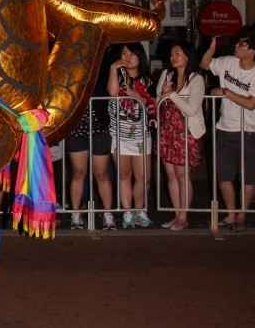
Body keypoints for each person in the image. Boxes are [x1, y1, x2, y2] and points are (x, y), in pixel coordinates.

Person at [199, 28, 255, 232]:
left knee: (248, 176)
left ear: (253, 51)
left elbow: (251, 104)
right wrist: (211, 49)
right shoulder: (228, 62)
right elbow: (205, 64)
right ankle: (231, 214)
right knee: (224, 174)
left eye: (243, 44)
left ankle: (242, 214)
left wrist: (225, 91)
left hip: (248, 129)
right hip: (224, 127)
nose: (237, 46)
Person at [156, 42, 206, 230]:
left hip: (185, 131)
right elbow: (158, 101)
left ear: (187, 56)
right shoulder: (166, 75)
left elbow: (192, 109)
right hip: (167, 130)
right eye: (171, 54)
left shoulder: (196, 79)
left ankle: (184, 216)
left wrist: (172, 94)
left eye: (177, 53)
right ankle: (177, 214)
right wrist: (164, 94)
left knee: (182, 174)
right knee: (170, 174)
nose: (173, 57)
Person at [107, 42, 158, 229]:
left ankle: (140, 210)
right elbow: (112, 93)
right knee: (124, 174)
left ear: (140, 57)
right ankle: (127, 212)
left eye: (131, 53)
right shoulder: (117, 76)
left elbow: (152, 104)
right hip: (119, 135)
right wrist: (113, 68)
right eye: (123, 53)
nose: (127, 57)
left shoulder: (148, 81)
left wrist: (137, 96)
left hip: (140, 136)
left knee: (143, 176)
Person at [66, 88, 116, 231]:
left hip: (99, 129)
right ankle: (76, 214)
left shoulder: (99, 72)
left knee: (101, 174)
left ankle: (108, 213)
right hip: (76, 131)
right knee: (78, 173)